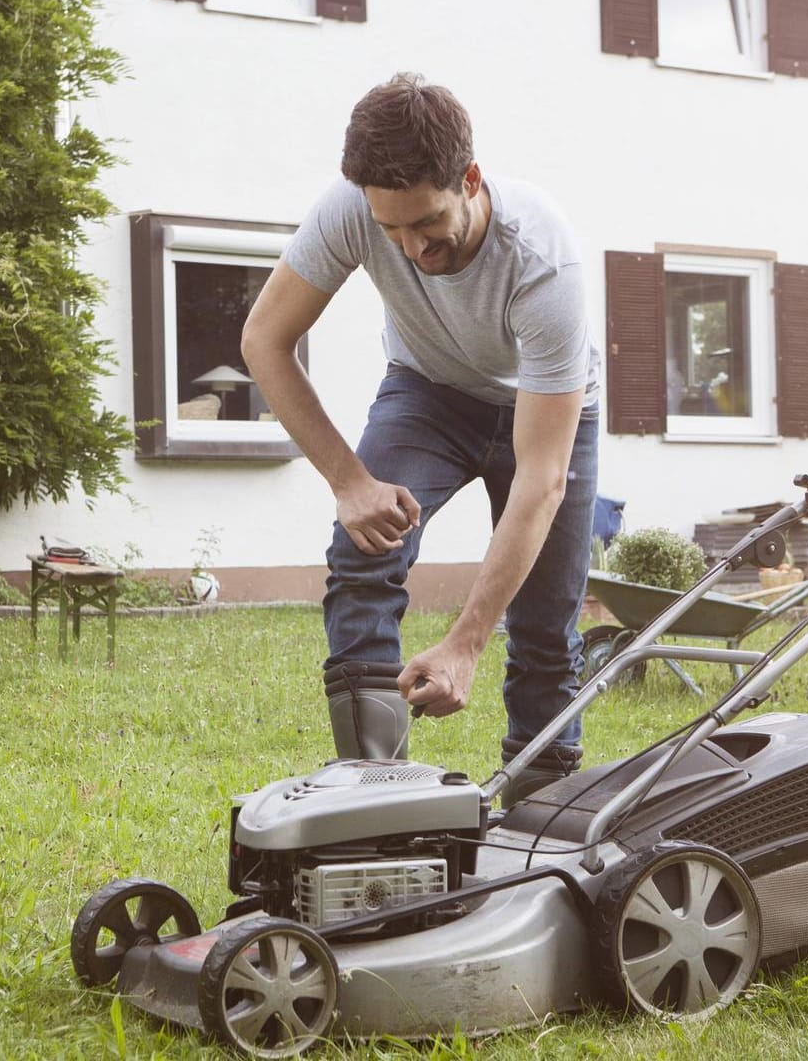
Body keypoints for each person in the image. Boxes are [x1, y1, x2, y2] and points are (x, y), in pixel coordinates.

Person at [240, 73, 601, 805]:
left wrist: (466, 641)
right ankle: (378, 802)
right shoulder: (351, 210)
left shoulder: (542, 259)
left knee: (543, 628)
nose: (410, 248)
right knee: (362, 552)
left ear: (468, 179)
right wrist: (349, 482)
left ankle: (542, 825)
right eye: (390, 229)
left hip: (547, 411)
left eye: (427, 223)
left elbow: (542, 476)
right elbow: (263, 340)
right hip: (429, 393)